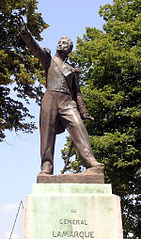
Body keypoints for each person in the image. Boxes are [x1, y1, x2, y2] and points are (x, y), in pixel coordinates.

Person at [17, 17, 103, 175]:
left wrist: (83, 112)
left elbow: (77, 92)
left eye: (64, 43)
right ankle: (46, 166)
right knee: (47, 133)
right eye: (59, 41)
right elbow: (35, 48)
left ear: (69, 49)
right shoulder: (48, 59)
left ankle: (91, 163)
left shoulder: (72, 70)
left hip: (67, 102)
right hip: (50, 98)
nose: (60, 43)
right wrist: (25, 33)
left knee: (79, 127)